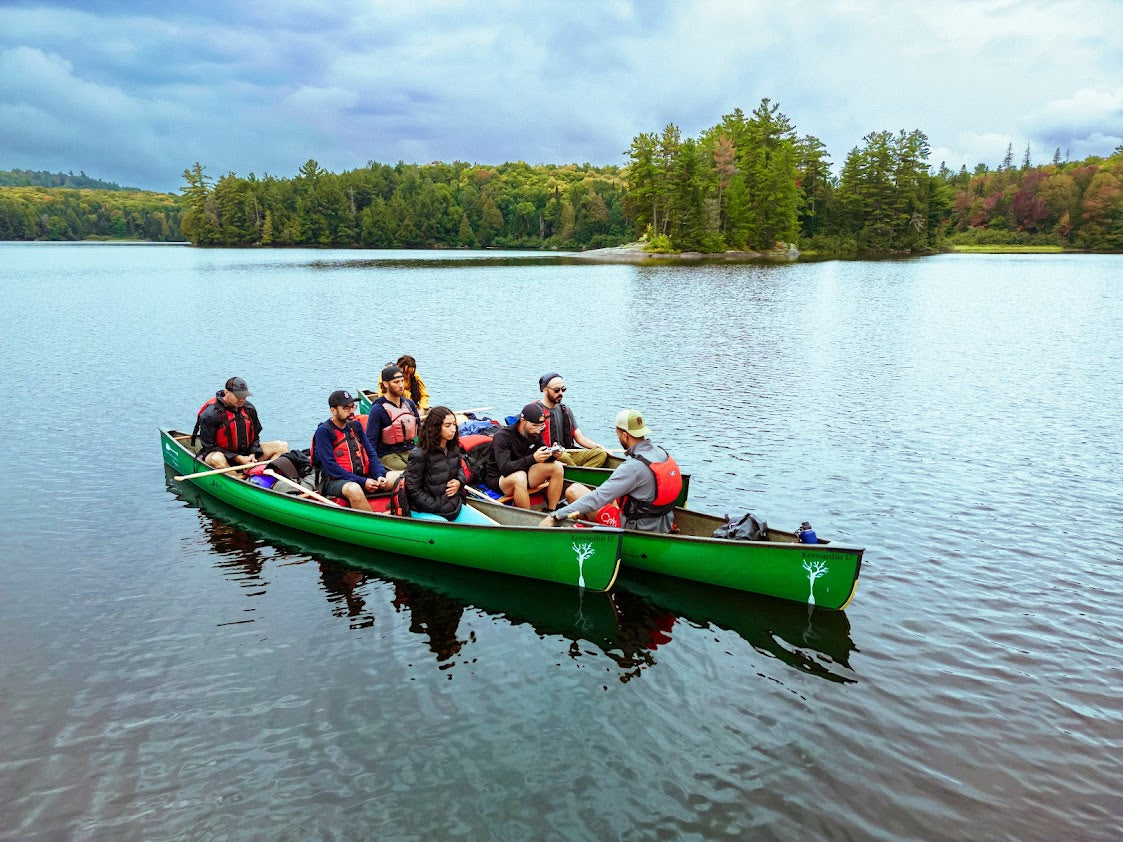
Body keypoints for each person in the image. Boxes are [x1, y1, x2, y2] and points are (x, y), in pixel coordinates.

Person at [540, 409, 681, 533]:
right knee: (612, 497)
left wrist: (556, 515)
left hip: (635, 527)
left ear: (625, 435)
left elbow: (596, 499)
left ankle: (586, 527)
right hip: (664, 522)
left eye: (618, 433)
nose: (618, 436)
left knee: (574, 491)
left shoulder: (633, 467)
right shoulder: (662, 453)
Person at [405, 406, 495, 524]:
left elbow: (459, 470)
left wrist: (459, 482)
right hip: (425, 509)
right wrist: (435, 505)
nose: (452, 429)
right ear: (435, 428)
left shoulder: (453, 448)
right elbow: (412, 488)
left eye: (454, 424)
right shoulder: (419, 454)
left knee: (487, 525)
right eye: (447, 426)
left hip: (452, 506)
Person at [312, 390, 395, 512]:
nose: (351, 412)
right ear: (333, 410)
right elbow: (331, 467)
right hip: (334, 482)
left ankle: (405, 515)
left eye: (352, 407)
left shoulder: (355, 426)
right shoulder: (324, 432)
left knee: (399, 477)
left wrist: (379, 476)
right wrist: (363, 481)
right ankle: (375, 525)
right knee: (354, 489)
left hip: (362, 477)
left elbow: (371, 454)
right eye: (346, 408)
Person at [491, 402, 582, 511]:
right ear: (523, 421)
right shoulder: (502, 437)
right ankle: (528, 517)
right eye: (534, 426)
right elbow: (505, 468)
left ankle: (551, 511)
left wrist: (553, 455)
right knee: (519, 477)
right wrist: (533, 458)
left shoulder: (535, 433)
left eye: (541, 426)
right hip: (500, 478)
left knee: (557, 467)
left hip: (525, 472)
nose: (538, 430)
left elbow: (542, 454)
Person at [195, 376, 288, 469]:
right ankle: (235, 478)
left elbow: (255, 435)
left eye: (244, 396)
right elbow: (209, 447)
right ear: (226, 392)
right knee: (216, 458)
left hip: (246, 455)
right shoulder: (210, 414)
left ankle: (257, 477)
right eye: (238, 396)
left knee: (282, 446)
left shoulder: (249, 408)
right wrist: (238, 458)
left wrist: (253, 453)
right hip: (224, 457)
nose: (242, 400)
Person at [535, 372, 608, 468]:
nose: (560, 393)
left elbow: (579, 437)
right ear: (545, 390)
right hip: (550, 456)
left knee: (601, 454)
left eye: (563, 389)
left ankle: (578, 475)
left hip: (568, 452)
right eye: (556, 390)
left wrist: (599, 446)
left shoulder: (565, 410)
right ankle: (581, 476)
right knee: (563, 456)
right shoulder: (535, 411)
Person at [366, 364, 421, 471]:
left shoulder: (409, 404)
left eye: (402, 381)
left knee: (431, 465)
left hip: (410, 449)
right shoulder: (377, 409)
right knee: (410, 470)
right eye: (396, 382)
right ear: (386, 384)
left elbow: (420, 431)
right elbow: (370, 442)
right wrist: (374, 467)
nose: (401, 385)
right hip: (388, 454)